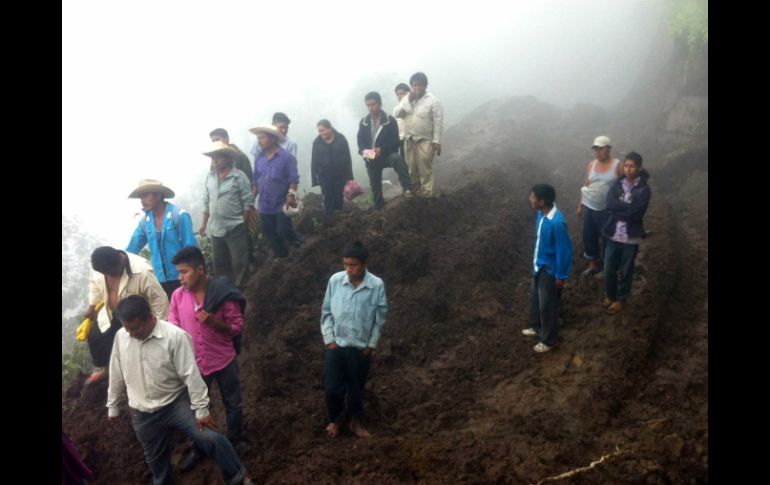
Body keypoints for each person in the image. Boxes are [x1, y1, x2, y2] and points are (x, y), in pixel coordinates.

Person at [107, 296, 254, 485]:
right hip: (142, 413)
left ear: (149, 317)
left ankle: (238, 478)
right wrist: (113, 406)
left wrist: (201, 410)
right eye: (128, 329)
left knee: (211, 438)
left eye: (136, 328)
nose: (132, 334)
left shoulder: (175, 337)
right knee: (155, 461)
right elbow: (116, 371)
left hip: (175, 403)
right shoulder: (122, 337)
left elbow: (191, 375)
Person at [168, 246, 251, 472]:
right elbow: (173, 327)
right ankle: (201, 445)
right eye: (179, 272)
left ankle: (237, 439)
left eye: (185, 272)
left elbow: (236, 327)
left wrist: (214, 323)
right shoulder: (177, 296)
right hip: (194, 365)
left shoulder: (223, 294)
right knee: (198, 408)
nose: (180, 278)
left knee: (232, 402)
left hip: (223, 359)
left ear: (200, 270)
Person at [320, 241, 387, 439]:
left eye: (353, 265)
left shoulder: (376, 285)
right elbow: (326, 313)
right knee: (332, 388)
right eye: (346, 265)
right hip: (336, 346)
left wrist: (371, 344)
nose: (348, 269)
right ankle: (335, 419)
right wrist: (329, 340)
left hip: (360, 349)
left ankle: (355, 421)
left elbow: (379, 318)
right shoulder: (335, 281)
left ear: (365, 263)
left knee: (356, 388)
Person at [84, 247, 169, 384]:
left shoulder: (141, 271)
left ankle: (142, 372)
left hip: (135, 316)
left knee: (137, 345)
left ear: (120, 261)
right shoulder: (101, 268)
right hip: (110, 313)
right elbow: (94, 285)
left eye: (112, 272)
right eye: (106, 273)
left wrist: (161, 326)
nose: (110, 276)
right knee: (95, 336)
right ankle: (107, 370)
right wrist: (92, 306)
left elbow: (158, 299)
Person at [521, 184, 573, 353]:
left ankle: (549, 339)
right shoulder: (541, 215)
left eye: (533, 196)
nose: (530, 198)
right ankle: (537, 327)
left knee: (547, 305)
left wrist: (560, 276)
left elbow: (564, 251)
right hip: (539, 265)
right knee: (535, 299)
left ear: (541, 201)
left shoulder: (557, 223)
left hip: (550, 270)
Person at [126, 179, 198, 300]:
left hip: (182, 276)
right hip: (160, 279)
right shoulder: (146, 222)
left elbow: (191, 249)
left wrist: (193, 276)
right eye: (141, 198)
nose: (142, 202)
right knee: (169, 313)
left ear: (158, 195)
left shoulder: (179, 216)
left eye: (145, 196)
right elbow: (132, 248)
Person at [601, 152, 651, 315]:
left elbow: (636, 213)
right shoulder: (617, 184)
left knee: (626, 268)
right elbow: (609, 204)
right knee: (609, 266)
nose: (628, 169)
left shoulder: (644, 189)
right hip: (613, 233)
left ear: (639, 168)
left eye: (632, 166)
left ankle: (621, 299)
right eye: (626, 165)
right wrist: (625, 209)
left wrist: (619, 209)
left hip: (631, 236)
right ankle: (610, 295)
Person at [201, 141, 253, 290]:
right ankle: (225, 293)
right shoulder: (210, 177)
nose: (215, 160)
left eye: (219, 157)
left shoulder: (239, 177)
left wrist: (245, 222)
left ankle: (243, 291)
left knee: (239, 262)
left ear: (229, 159)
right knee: (220, 263)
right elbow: (206, 200)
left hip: (235, 226)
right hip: (216, 228)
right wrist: (204, 223)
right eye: (213, 158)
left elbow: (247, 200)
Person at [250, 124, 304, 257]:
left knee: (283, 230)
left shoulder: (287, 158)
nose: (259, 141)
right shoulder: (259, 159)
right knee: (268, 232)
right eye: (258, 138)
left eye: (262, 138)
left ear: (273, 139)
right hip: (264, 205)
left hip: (281, 202)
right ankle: (282, 256)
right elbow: (256, 180)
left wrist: (291, 195)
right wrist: (252, 199)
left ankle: (298, 244)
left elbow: (293, 179)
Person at [210, 128, 259, 273]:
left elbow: (248, 182)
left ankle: (250, 262)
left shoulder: (240, 157)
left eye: (218, 139)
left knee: (244, 238)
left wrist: (247, 207)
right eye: (213, 141)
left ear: (226, 138)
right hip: (221, 216)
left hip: (238, 208)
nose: (215, 143)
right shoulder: (214, 162)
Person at [357, 92, 413, 210]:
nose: (371, 108)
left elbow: (395, 142)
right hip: (371, 156)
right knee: (375, 185)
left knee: (397, 159)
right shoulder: (363, 122)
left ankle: (407, 188)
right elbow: (360, 142)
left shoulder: (389, 120)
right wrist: (365, 152)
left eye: (373, 104)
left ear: (380, 104)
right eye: (368, 105)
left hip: (386, 155)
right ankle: (378, 204)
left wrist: (382, 149)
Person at [576, 135, 623, 276]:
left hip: (607, 209)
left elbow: (624, 187)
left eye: (601, 149)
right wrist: (581, 205)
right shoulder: (591, 165)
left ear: (608, 149)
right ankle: (593, 264)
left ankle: (608, 266)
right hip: (589, 206)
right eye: (595, 149)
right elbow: (586, 184)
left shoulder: (618, 165)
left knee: (607, 237)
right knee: (588, 235)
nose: (598, 152)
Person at [394, 72, 443, 197]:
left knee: (425, 168)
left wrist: (436, 141)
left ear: (425, 85)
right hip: (409, 139)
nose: (417, 88)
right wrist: (408, 101)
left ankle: (427, 194)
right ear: (411, 86)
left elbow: (438, 122)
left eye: (420, 85)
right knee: (411, 169)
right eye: (414, 85)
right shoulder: (407, 99)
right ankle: (416, 193)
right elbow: (397, 115)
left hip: (425, 139)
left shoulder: (433, 101)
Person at [311, 119, 353, 214]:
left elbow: (347, 157)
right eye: (319, 131)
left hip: (340, 174)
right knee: (327, 196)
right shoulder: (317, 142)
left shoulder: (341, 138)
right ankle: (329, 217)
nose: (321, 133)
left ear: (330, 128)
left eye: (323, 130)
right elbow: (314, 161)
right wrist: (314, 179)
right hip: (324, 175)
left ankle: (339, 217)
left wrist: (350, 176)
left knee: (338, 195)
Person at [393, 83, 410, 159]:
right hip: (401, 139)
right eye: (397, 94)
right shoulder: (396, 109)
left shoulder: (414, 106)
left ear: (408, 93)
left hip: (412, 138)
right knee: (405, 162)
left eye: (401, 93)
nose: (399, 96)